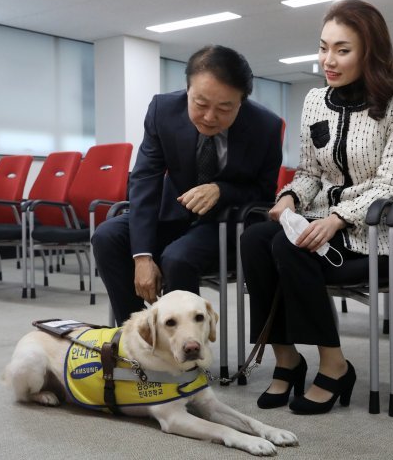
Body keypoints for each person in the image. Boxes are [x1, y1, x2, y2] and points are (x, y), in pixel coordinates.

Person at [240, 0, 393, 415]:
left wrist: (339, 218)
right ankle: (286, 360)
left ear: (369, 51)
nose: (328, 60)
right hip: (318, 221)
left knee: (289, 247)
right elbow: (309, 173)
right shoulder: (315, 100)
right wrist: (289, 198)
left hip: (371, 232)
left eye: (342, 49)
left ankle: (334, 364)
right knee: (254, 240)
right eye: (323, 48)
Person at [93, 45, 283, 326]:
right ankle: (135, 341)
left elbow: (265, 194)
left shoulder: (266, 126)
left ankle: (187, 356)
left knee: (177, 258)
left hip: (224, 221)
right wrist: (142, 256)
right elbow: (145, 179)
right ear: (187, 90)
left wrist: (221, 189)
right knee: (108, 235)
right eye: (200, 103)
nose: (209, 117)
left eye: (224, 108)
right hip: (175, 211)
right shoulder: (163, 110)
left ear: (241, 101)